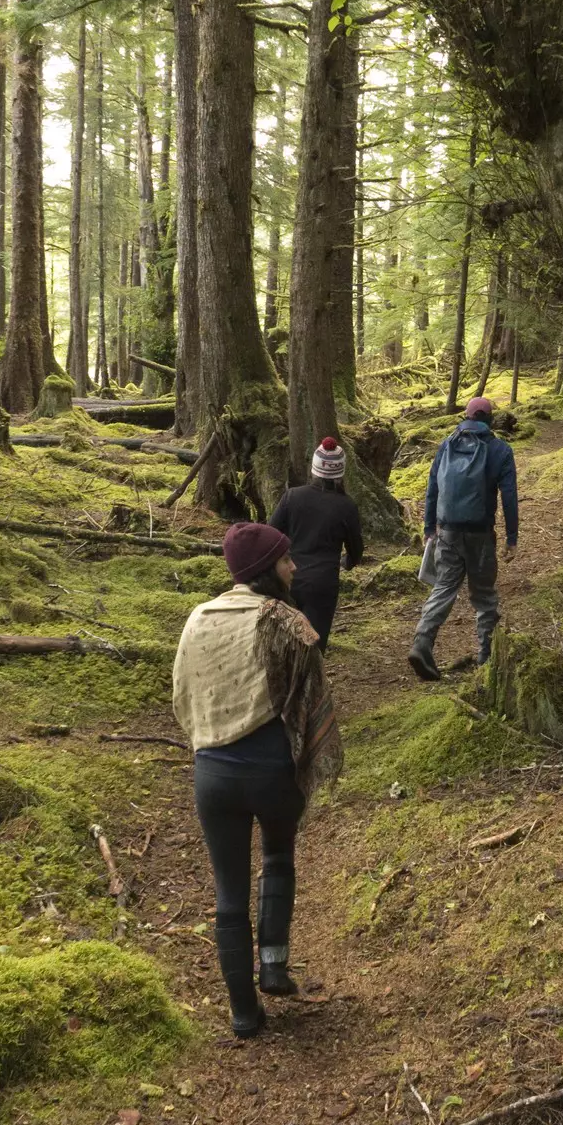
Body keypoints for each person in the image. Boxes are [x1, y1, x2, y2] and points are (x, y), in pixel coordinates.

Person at [172, 522, 342, 1039]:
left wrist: (209, 739)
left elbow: (182, 694)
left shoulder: (198, 619)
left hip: (213, 774)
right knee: (276, 856)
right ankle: (273, 965)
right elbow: (313, 701)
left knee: (228, 894)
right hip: (272, 770)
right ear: (267, 569)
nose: (294, 567)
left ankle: (244, 1013)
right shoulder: (288, 623)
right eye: (286, 560)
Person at [409, 396, 518, 681]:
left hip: (447, 531)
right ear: (490, 420)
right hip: (480, 534)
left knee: (444, 587)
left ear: (466, 417)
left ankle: (422, 642)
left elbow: (432, 487)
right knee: (483, 595)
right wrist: (511, 537)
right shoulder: (500, 450)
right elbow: (509, 497)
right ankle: (486, 659)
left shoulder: (447, 445)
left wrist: (429, 528)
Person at [266, 437, 365, 648]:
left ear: (314, 469)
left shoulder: (292, 497)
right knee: (314, 647)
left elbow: (270, 534)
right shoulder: (346, 506)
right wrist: (348, 562)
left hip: (287, 579)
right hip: (322, 584)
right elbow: (356, 549)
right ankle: (311, 680)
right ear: (340, 473)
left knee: (283, 641)